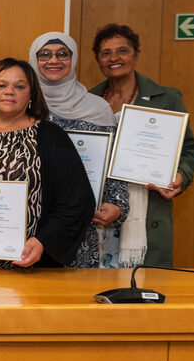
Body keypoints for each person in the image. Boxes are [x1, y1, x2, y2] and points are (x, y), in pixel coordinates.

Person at [0, 59, 95, 269]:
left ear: (30, 96)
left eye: (19, 86)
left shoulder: (51, 136)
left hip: (27, 266)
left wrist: (44, 241)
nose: (10, 91)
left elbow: (76, 201)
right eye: (1, 85)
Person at [89, 23, 194, 267]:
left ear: (136, 55)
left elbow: (189, 150)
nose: (114, 58)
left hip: (146, 213)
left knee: (144, 293)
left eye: (122, 51)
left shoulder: (167, 99)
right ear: (98, 59)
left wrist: (181, 175)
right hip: (100, 214)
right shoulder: (87, 101)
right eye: (106, 53)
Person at [28, 32, 130, 268]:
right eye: (45, 54)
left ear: (73, 60)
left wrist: (117, 206)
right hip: (32, 221)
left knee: (77, 295)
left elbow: (114, 164)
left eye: (63, 54)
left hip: (84, 222)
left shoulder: (98, 108)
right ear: (34, 59)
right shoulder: (24, 105)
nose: (54, 60)